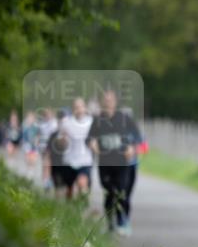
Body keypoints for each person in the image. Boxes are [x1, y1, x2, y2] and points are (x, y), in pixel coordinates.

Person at [88, 90, 142, 236]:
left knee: (121, 191)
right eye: (106, 100)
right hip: (105, 163)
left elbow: (137, 136)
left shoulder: (124, 118)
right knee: (109, 192)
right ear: (102, 102)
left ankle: (121, 222)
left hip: (122, 163)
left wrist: (132, 147)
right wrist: (92, 143)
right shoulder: (98, 120)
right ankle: (109, 222)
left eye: (111, 99)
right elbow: (90, 138)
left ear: (115, 102)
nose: (108, 102)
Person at [57, 98, 94, 200]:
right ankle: (71, 211)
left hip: (85, 160)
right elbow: (60, 144)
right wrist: (63, 139)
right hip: (69, 160)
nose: (79, 109)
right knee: (69, 191)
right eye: (76, 107)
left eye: (81, 107)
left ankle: (83, 206)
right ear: (73, 109)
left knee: (82, 183)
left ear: (85, 108)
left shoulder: (91, 122)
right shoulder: (66, 123)